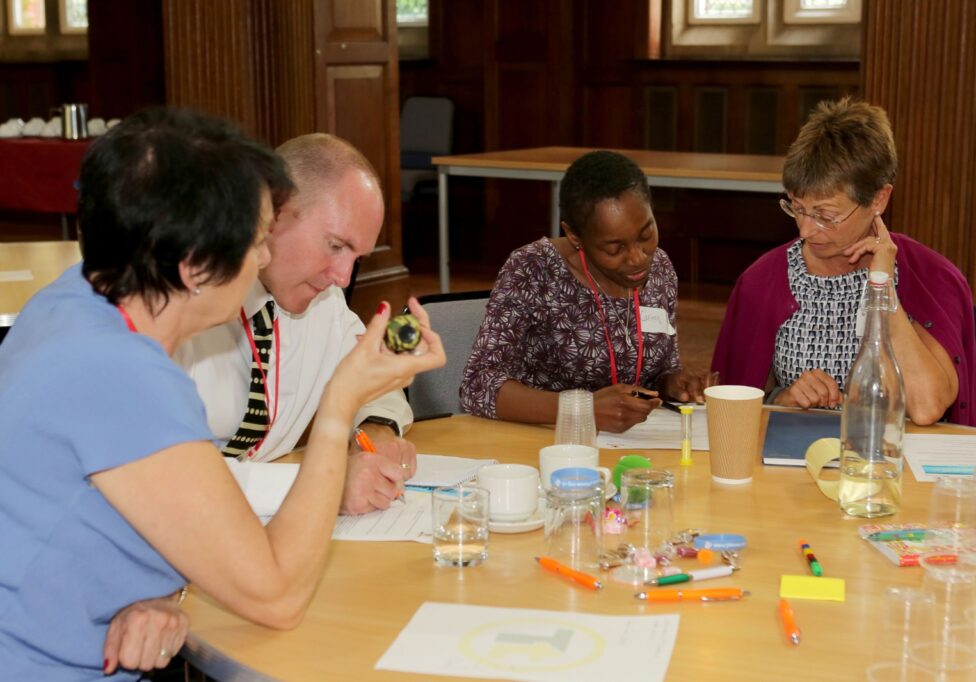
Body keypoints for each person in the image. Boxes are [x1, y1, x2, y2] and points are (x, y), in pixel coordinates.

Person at [0, 108, 445, 679]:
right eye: (256, 240)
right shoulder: (120, 375)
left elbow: (127, 504)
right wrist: (337, 410)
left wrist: (161, 589)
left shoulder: (75, 303)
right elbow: (277, 596)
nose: (262, 259)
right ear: (194, 265)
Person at [175, 134, 417, 514]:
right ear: (275, 214)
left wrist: (374, 432)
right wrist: (323, 486)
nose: (342, 276)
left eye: (357, 258)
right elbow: (170, 477)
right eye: (336, 246)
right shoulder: (179, 307)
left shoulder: (324, 300)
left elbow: (371, 380)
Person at [711, 98, 976, 426]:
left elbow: (926, 407)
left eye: (826, 214)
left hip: (898, 464)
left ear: (879, 199)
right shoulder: (763, 281)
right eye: (797, 208)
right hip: (793, 462)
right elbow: (736, 401)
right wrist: (786, 398)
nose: (807, 230)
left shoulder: (931, 277)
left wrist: (882, 289)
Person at [460, 150, 707, 433]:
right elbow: (477, 386)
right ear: (574, 235)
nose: (638, 257)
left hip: (632, 444)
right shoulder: (534, 269)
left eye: (646, 234)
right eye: (614, 248)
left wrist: (673, 382)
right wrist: (580, 408)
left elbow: (661, 368)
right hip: (544, 443)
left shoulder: (660, 267)